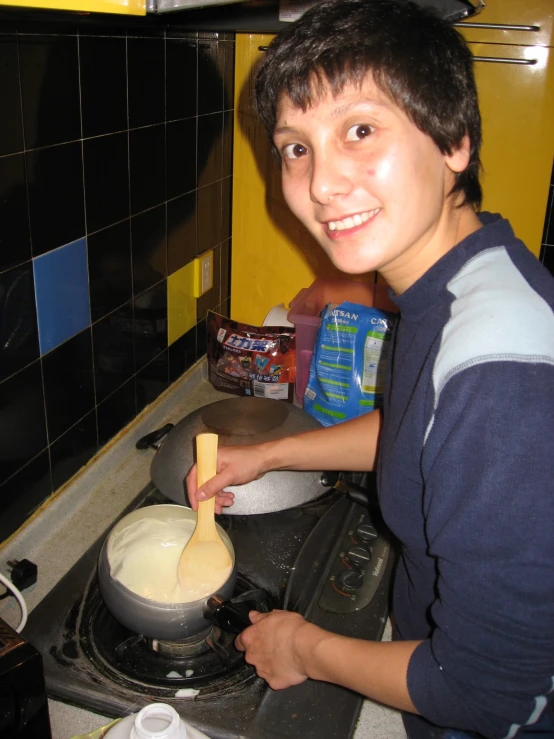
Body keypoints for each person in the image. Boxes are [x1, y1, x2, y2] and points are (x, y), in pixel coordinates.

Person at [185, 0, 554, 736]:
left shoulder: (502, 374)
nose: (321, 183)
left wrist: (306, 646)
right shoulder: (461, 275)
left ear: (453, 140)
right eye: (296, 147)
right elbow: (424, 428)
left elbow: (490, 692)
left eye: (360, 130)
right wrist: (271, 453)